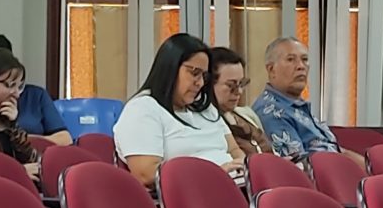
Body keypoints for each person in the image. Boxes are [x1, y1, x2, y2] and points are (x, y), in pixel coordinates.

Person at [113, 33, 241, 187]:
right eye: (194, 73)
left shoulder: (204, 108)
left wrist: (243, 167)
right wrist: (213, 174)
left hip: (235, 185)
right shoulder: (143, 109)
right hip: (194, 192)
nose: (200, 83)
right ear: (171, 68)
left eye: (204, 76)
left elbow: (234, 150)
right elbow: (146, 174)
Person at [249, 36, 337, 161]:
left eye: (305, 59)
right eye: (290, 60)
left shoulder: (298, 105)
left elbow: (334, 149)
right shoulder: (272, 111)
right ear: (271, 69)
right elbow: (299, 165)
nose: (301, 66)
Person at [0, 35, 71, 146]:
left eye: (17, 86)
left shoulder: (36, 96)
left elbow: (65, 139)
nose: (16, 94)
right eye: (7, 85)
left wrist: (24, 138)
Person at [207, 46, 271, 157]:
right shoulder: (208, 125)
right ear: (208, 84)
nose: (239, 91)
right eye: (231, 85)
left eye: (241, 83)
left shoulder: (247, 115)